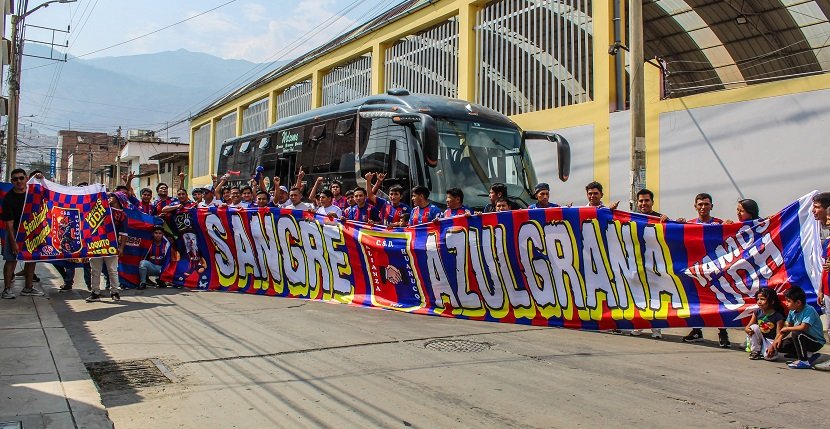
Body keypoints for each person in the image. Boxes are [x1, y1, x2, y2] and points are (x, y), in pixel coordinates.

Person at [679, 192, 729, 347]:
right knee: (696, 300)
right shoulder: (690, 224)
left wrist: (730, 225)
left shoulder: (719, 224)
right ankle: (696, 330)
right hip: (696, 270)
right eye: (700, 204)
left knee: (719, 300)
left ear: (711, 206)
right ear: (695, 206)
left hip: (715, 270)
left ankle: (723, 332)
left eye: (706, 204)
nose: (703, 207)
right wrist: (675, 223)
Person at [2, 168, 44, 299]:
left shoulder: (32, 192)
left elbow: (47, 192)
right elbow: (8, 224)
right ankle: (7, 290)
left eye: (21, 178)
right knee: (11, 260)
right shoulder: (9, 198)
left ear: (26, 178)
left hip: (31, 231)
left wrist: (40, 178)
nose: (19, 181)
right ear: (12, 181)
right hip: (15, 231)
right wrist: (13, 242)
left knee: (31, 259)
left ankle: (28, 287)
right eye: (15, 179)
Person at [87, 192, 129, 302]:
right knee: (95, 270)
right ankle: (95, 292)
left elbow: (124, 233)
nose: (109, 198)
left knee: (112, 270)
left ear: (119, 199)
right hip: (96, 244)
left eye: (112, 196)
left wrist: (121, 247)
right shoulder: (102, 209)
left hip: (112, 245)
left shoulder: (122, 215)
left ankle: (115, 292)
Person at [772, 286, 825, 369]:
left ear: (798, 303)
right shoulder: (792, 311)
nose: (786, 303)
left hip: (815, 342)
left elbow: (803, 327)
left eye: (788, 301)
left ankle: (804, 361)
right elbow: (788, 326)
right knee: (780, 345)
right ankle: (807, 355)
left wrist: (786, 329)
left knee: (797, 333)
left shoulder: (809, 310)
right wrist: (776, 341)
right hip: (804, 338)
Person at [813, 192, 830, 370]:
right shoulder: (816, 228)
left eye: (817, 207)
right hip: (827, 288)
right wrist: (820, 289)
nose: (813, 211)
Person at [744, 287, 786, 361]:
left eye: (762, 299)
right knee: (754, 327)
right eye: (758, 299)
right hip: (760, 338)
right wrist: (747, 329)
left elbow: (778, 334)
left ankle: (763, 351)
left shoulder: (778, 316)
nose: (759, 302)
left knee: (769, 357)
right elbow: (748, 326)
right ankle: (755, 350)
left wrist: (772, 346)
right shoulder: (757, 312)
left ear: (772, 301)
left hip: (771, 340)